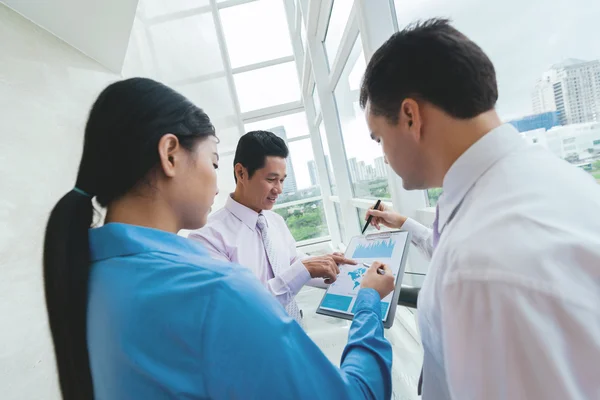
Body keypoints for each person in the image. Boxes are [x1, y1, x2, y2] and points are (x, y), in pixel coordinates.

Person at [43, 77, 396, 400]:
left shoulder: (90, 273)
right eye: (213, 163)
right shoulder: (213, 285)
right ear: (170, 155)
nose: (215, 180)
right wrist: (367, 299)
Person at [360, 18, 600, 400]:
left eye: (379, 138)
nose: (384, 155)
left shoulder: (478, 270)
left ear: (410, 116)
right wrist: (407, 224)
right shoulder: (550, 181)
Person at [189, 130, 356, 324]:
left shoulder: (275, 221)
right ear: (241, 173)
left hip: (296, 332)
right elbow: (240, 305)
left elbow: (292, 260)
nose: (279, 189)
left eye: (282, 180)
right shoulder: (207, 238)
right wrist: (304, 269)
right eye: (271, 179)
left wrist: (333, 269)